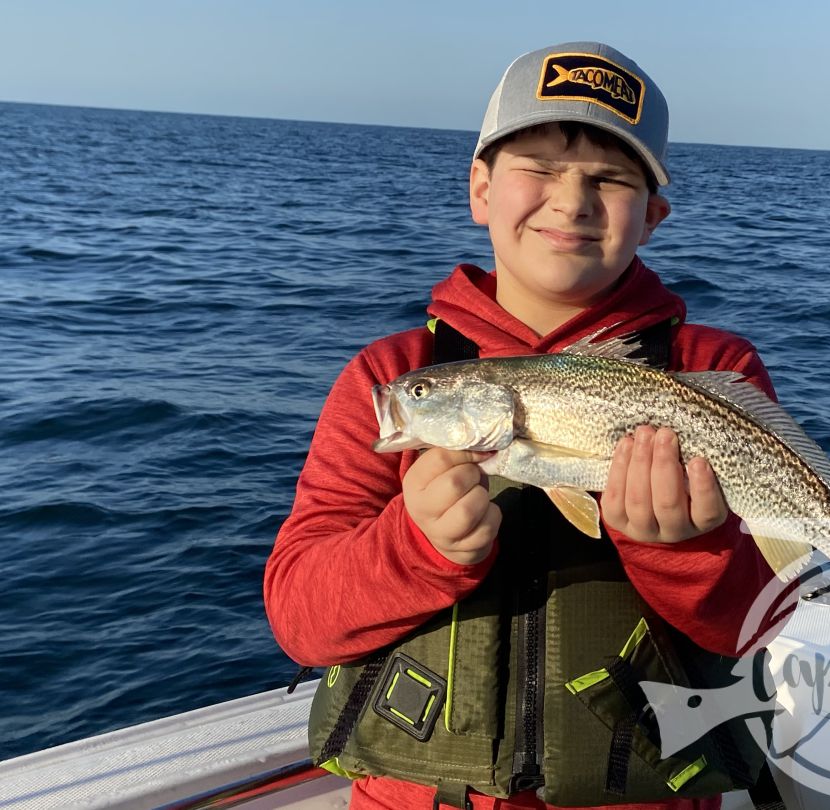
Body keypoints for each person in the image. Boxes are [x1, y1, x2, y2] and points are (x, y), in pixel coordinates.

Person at [265, 41, 783, 810]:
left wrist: (685, 552)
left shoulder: (710, 368)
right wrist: (416, 546)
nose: (571, 202)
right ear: (479, 188)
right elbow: (300, 619)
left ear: (653, 218)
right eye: (536, 167)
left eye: (609, 179)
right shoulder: (388, 375)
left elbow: (758, 622)